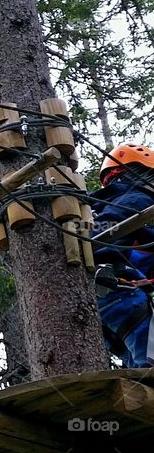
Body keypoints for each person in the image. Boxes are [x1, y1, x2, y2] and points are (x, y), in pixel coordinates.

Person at [90, 143, 154, 368]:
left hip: (102, 303)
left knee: (139, 376)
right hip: (121, 296)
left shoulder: (99, 205)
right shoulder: (137, 198)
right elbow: (105, 227)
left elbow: (141, 251)